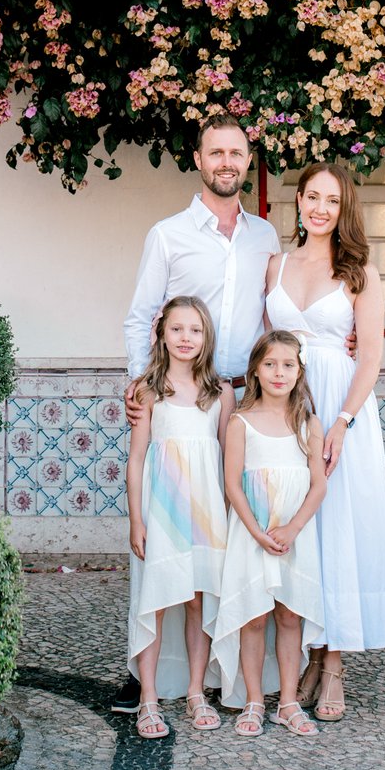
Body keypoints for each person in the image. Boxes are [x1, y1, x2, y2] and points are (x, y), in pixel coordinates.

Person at [114, 117, 280, 715]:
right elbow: (143, 315)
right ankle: (150, 682)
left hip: (242, 402)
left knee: (229, 544)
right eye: (216, 152)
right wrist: (143, 382)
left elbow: (277, 315)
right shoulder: (169, 235)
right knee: (167, 547)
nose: (227, 162)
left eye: (236, 152)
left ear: (248, 159)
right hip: (179, 396)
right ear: (199, 158)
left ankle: (230, 678)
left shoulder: (265, 236)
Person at [263, 161, 385, 721]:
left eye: (333, 200)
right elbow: (265, 344)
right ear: (298, 200)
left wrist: (342, 421)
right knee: (301, 530)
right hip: (287, 403)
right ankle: (309, 655)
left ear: (345, 209)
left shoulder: (360, 270)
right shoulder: (275, 265)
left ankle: (334, 664)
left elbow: (371, 358)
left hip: (341, 406)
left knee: (337, 529)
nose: (321, 208)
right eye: (313, 196)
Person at [209, 330, 329, 737]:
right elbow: (232, 485)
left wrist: (292, 529)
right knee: (255, 618)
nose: (280, 372)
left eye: (288, 365)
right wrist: (257, 533)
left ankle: (289, 702)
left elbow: (318, 486)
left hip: (294, 536)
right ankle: (254, 700)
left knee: (290, 615)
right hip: (252, 535)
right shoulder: (241, 422)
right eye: (270, 364)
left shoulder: (309, 424)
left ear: (299, 372)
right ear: (256, 371)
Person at [125, 295, 232, 739]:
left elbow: (227, 460)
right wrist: (137, 520)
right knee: (157, 598)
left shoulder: (220, 393)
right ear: (162, 334)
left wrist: (230, 516)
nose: (186, 338)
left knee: (197, 600)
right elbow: (136, 460)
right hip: (162, 510)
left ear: (206, 337)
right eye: (177, 329)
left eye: (195, 330)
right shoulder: (149, 391)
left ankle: (195, 690)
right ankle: (148, 697)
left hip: (206, 513)